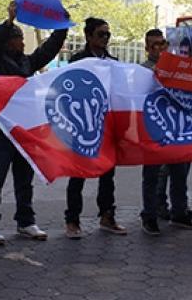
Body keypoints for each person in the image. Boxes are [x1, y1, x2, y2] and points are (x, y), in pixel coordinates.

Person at [0, 1, 67, 245]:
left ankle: (26, 221)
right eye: (19, 38)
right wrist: (8, 22)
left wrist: (62, 27)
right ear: (10, 41)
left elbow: (48, 50)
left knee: (24, 180)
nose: (24, 43)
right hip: (4, 131)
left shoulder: (27, 62)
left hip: (25, 132)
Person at [62, 17, 126, 239]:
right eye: (101, 34)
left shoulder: (113, 62)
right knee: (77, 173)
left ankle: (107, 216)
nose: (105, 38)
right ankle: (72, 221)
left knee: (108, 174)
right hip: (82, 125)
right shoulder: (77, 60)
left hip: (106, 127)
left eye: (108, 34)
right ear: (88, 36)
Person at [140, 29, 192, 236]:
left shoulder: (178, 68)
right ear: (147, 48)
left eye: (162, 43)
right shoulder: (141, 71)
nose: (159, 48)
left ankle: (179, 212)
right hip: (155, 130)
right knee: (152, 176)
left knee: (180, 173)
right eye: (154, 45)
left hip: (178, 129)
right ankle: (149, 216)